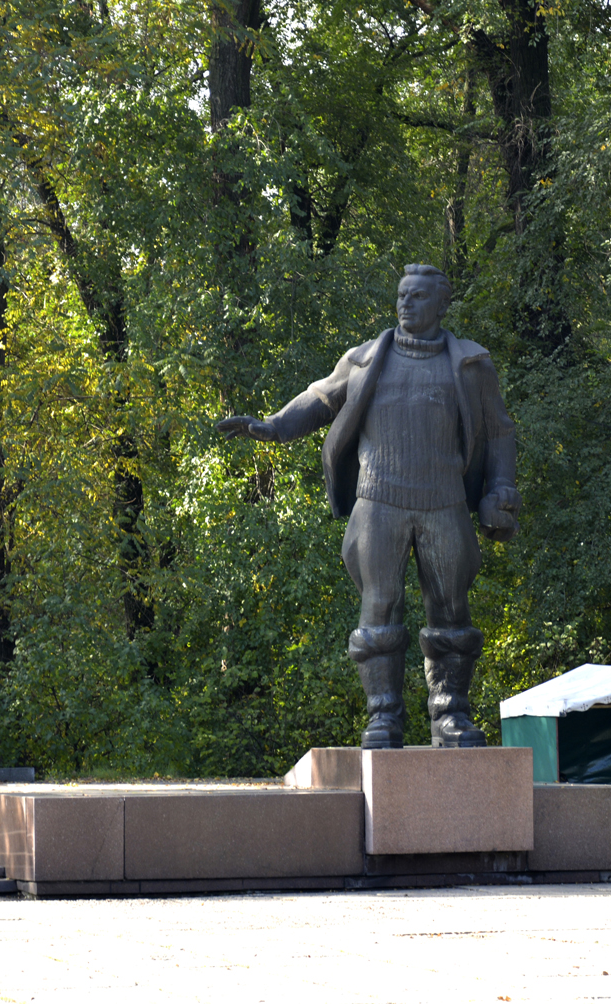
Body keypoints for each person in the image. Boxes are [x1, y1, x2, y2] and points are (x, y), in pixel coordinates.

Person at [217, 264, 521, 749]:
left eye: (418, 297)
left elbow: (500, 430)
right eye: (402, 296)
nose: (406, 304)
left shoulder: (470, 364)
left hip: (445, 502)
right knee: (378, 608)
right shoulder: (363, 360)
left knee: (451, 609)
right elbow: (320, 398)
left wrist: (500, 486)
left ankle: (450, 716)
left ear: (441, 305)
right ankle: (384, 717)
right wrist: (275, 425)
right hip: (378, 501)